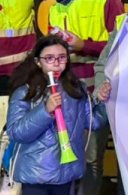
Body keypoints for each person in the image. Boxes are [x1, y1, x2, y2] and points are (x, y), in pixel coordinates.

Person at [38, 0, 122, 195]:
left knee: (91, 158)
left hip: (97, 95)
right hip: (64, 94)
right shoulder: (55, 5)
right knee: (68, 155)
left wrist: (82, 45)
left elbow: (119, 48)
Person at [6, 35, 108, 195]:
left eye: (61, 58)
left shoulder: (76, 90)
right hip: (35, 175)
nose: (56, 63)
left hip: (66, 174)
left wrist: (103, 102)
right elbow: (16, 133)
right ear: (38, 62)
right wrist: (44, 111)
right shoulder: (24, 93)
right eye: (49, 58)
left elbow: (93, 122)